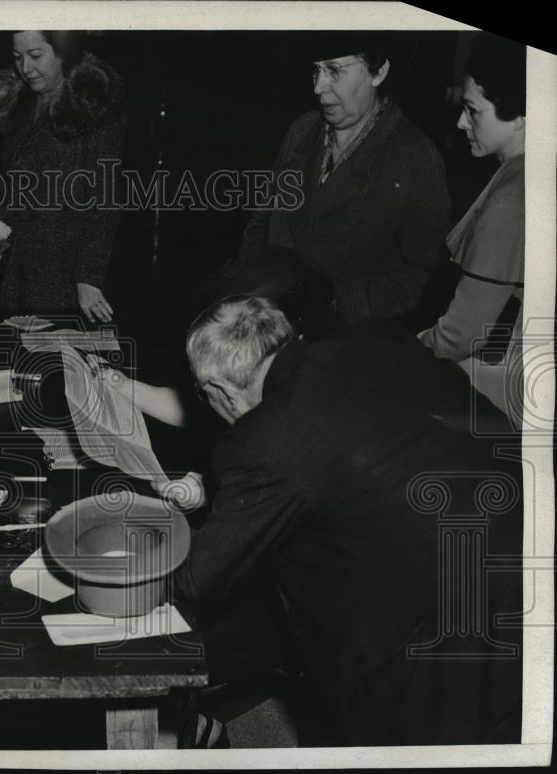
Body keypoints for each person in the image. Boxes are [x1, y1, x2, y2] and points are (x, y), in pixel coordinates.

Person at [167, 296, 522, 745]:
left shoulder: (262, 442)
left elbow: (199, 580)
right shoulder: (380, 337)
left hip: (453, 638)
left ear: (219, 390)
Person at [239, 33, 451, 326]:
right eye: (316, 70)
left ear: (379, 72)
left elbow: (419, 275)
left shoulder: (414, 158)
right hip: (271, 326)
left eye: (334, 71)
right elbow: (260, 221)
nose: (318, 88)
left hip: (349, 342)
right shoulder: (301, 131)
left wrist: (332, 306)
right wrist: (251, 291)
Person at [0, 30, 127, 321]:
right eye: (17, 58)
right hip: (17, 260)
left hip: (67, 265)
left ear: (64, 52)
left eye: (36, 56)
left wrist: (89, 278)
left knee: (57, 358)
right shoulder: (14, 104)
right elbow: (16, 186)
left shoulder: (94, 106)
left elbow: (105, 202)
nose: (25, 69)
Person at [419, 33, 526, 425]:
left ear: (517, 116)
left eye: (473, 111)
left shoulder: (511, 203)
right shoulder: (524, 176)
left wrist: (410, 350)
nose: (461, 122)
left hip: (504, 390)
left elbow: (464, 335)